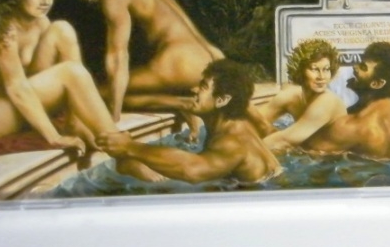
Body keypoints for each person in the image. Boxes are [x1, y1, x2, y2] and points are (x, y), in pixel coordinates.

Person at [0, 0, 122, 156]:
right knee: (70, 72)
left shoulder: (41, 22)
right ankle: (121, 148)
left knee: (62, 28)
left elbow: (35, 78)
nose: (46, 2)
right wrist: (54, 137)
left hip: (17, 103)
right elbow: (15, 87)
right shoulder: (4, 28)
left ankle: (75, 121)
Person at [64, 0, 223, 126]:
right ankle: (182, 103)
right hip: (213, 59)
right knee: (117, 90)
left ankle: (183, 104)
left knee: (94, 94)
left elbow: (118, 57)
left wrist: (114, 115)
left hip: (181, 63)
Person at [97, 59, 281, 185]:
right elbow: (149, 101)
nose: (194, 90)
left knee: (132, 167)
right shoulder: (231, 120)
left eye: (203, 87)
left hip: (257, 196)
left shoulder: (232, 141)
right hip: (258, 187)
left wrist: (130, 147)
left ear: (222, 100)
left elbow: (192, 171)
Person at [301, 41, 390, 160]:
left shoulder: (357, 125)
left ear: (377, 83)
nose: (354, 67)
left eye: (363, 67)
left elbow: (302, 148)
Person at [258, 39, 347, 155]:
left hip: (332, 162)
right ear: (300, 70)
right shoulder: (291, 96)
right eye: (314, 69)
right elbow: (255, 120)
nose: (321, 77)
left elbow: (284, 140)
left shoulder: (328, 101)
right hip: (305, 157)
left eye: (326, 69)